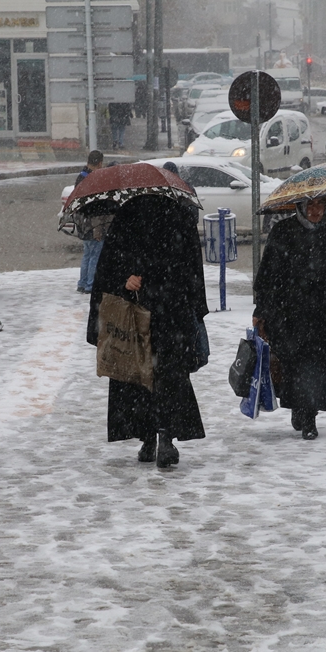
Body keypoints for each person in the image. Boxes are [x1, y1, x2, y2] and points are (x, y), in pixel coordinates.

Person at [87, 193, 208, 468]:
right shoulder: (179, 216)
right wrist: (128, 278)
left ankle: (155, 438)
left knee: (142, 377)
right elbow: (192, 272)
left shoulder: (128, 216)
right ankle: (160, 437)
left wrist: (127, 278)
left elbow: (108, 267)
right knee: (162, 376)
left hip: (155, 314)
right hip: (166, 315)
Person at [252, 195, 326, 440]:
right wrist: (261, 311)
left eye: (320, 205)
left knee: (319, 368)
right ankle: (301, 409)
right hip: (290, 316)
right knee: (296, 366)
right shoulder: (283, 232)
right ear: (300, 208)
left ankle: (310, 415)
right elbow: (267, 276)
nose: (316, 211)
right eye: (310, 206)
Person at [74, 150, 105, 294]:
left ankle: (82, 283)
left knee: (87, 254)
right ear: (99, 163)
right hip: (93, 224)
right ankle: (90, 285)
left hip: (82, 223)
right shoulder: (93, 180)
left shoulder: (80, 177)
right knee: (94, 255)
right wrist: (98, 228)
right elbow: (95, 207)